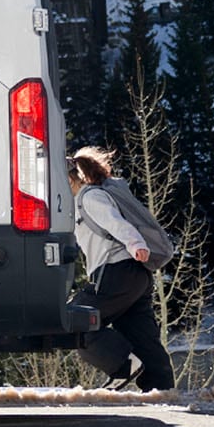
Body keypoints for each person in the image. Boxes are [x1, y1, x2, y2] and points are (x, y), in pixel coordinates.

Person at [68, 146, 175, 393]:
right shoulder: (86, 199)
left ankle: (123, 366)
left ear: (72, 178)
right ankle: (162, 389)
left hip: (117, 272)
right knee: (141, 334)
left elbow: (116, 223)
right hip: (135, 277)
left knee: (75, 319)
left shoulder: (89, 197)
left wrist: (136, 244)